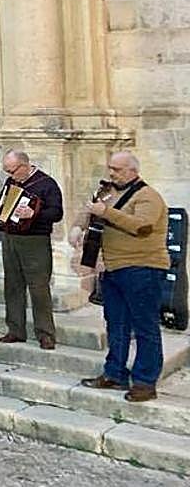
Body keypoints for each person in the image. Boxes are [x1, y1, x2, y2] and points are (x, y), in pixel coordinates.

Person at [70, 151, 170, 403]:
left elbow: (141, 225)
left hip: (142, 268)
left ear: (132, 171)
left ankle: (146, 382)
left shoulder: (149, 196)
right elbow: (90, 209)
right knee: (116, 323)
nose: (111, 173)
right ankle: (114, 373)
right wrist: (77, 226)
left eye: (117, 169)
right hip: (114, 268)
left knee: (145, 327)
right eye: (110, 168)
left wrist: (106, 212)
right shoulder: (108, 191)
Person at [0, 150, 63, 350]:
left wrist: (34, 213)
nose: (10, 176)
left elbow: (57, 212)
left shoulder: (46, 184)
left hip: (35, 240)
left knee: (39, 287)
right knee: (12, 285)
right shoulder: (11, 182)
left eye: (12, 171)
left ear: (24, 166)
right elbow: (4, 201)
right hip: (11, 237)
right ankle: (15, 330)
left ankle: (45, 333)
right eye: (7, 171)